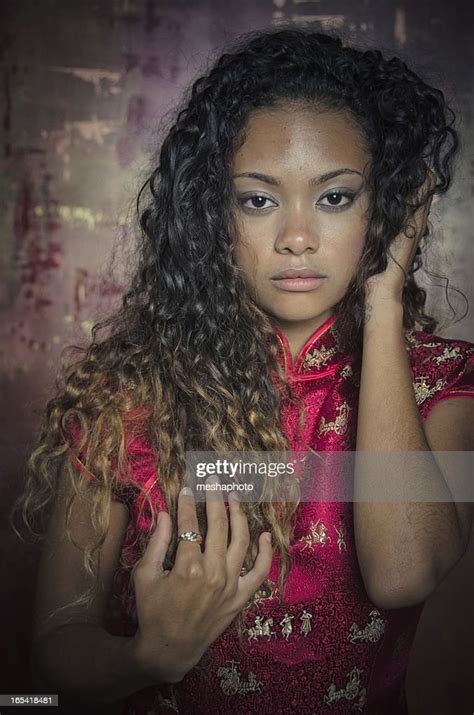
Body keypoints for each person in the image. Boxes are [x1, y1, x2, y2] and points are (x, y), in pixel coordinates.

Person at [13, 25, 474, 715]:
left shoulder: (445, 382)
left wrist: (383, 299)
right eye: (258, 199)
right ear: (213, 213)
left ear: (384, 207)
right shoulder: (127, 392)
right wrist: (145, 657)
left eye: (336, 197)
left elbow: (404, 574)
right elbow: (52, 647)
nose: (296, 236)